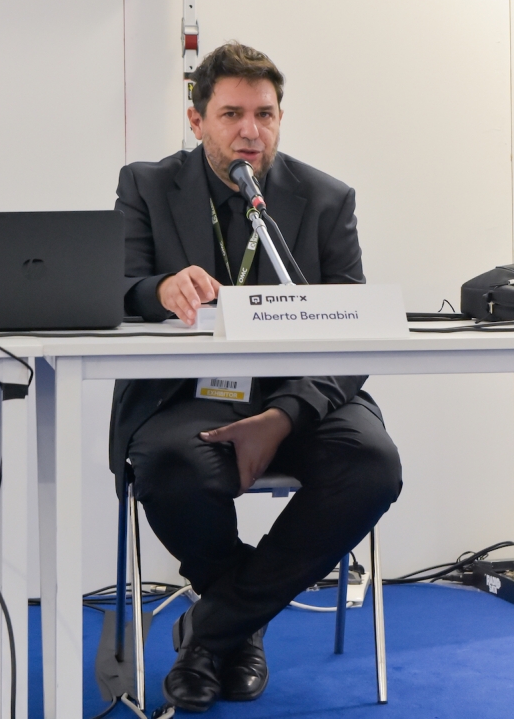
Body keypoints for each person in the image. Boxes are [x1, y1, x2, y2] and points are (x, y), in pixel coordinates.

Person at [110, 42, 402, 712]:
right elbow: (114, 286)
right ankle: (238, 628)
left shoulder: (325, 198)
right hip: (187, 392)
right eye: (231, 114)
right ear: (196, 120)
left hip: (299, 391)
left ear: (279, 118)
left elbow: (352, 328)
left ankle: (211, 630)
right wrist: (159, 289)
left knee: (371, 465)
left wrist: (284, 416)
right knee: (172, 464)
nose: (250, 131)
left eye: (264, 115)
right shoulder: (146, 185)